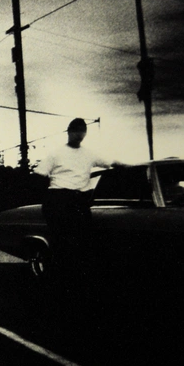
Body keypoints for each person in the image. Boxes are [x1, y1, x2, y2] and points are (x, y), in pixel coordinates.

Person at [36, 117, 122, 284]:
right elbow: (39, 175)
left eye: (82, 131)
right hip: (59, 199)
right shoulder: (56, 153)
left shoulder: (89, 153)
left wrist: (127, 165)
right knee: (61, 241)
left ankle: (76, 278)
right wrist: (48, 199)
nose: (79, 135)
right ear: (69, 132)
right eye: (76, 131)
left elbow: (110, 162)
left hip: (79, 201)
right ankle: (56, 279)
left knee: (82, 240)